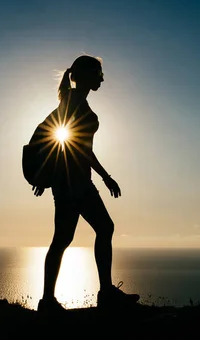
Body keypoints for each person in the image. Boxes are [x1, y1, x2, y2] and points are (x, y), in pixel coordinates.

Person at [33, 55, 140, 313]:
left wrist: (103, 176)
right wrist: (105, 176)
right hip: (74, 183)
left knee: (68, 237)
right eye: (98, 73)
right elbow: (65, 141)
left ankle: (52, 300)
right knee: (95, 230)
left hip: (74, 181)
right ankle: (98, 295)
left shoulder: (72, 102)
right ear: (86, 75)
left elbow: (71, 144)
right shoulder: (73, 104)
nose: (101, 78)